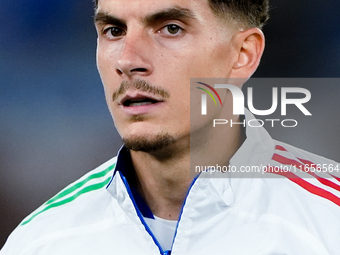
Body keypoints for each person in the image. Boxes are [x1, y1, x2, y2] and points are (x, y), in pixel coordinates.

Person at [1, 0, 340, 254]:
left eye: (171, 28)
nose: (128, 60)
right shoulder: (40, 242)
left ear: (243, 54)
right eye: (114, 31)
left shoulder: (329, 223)